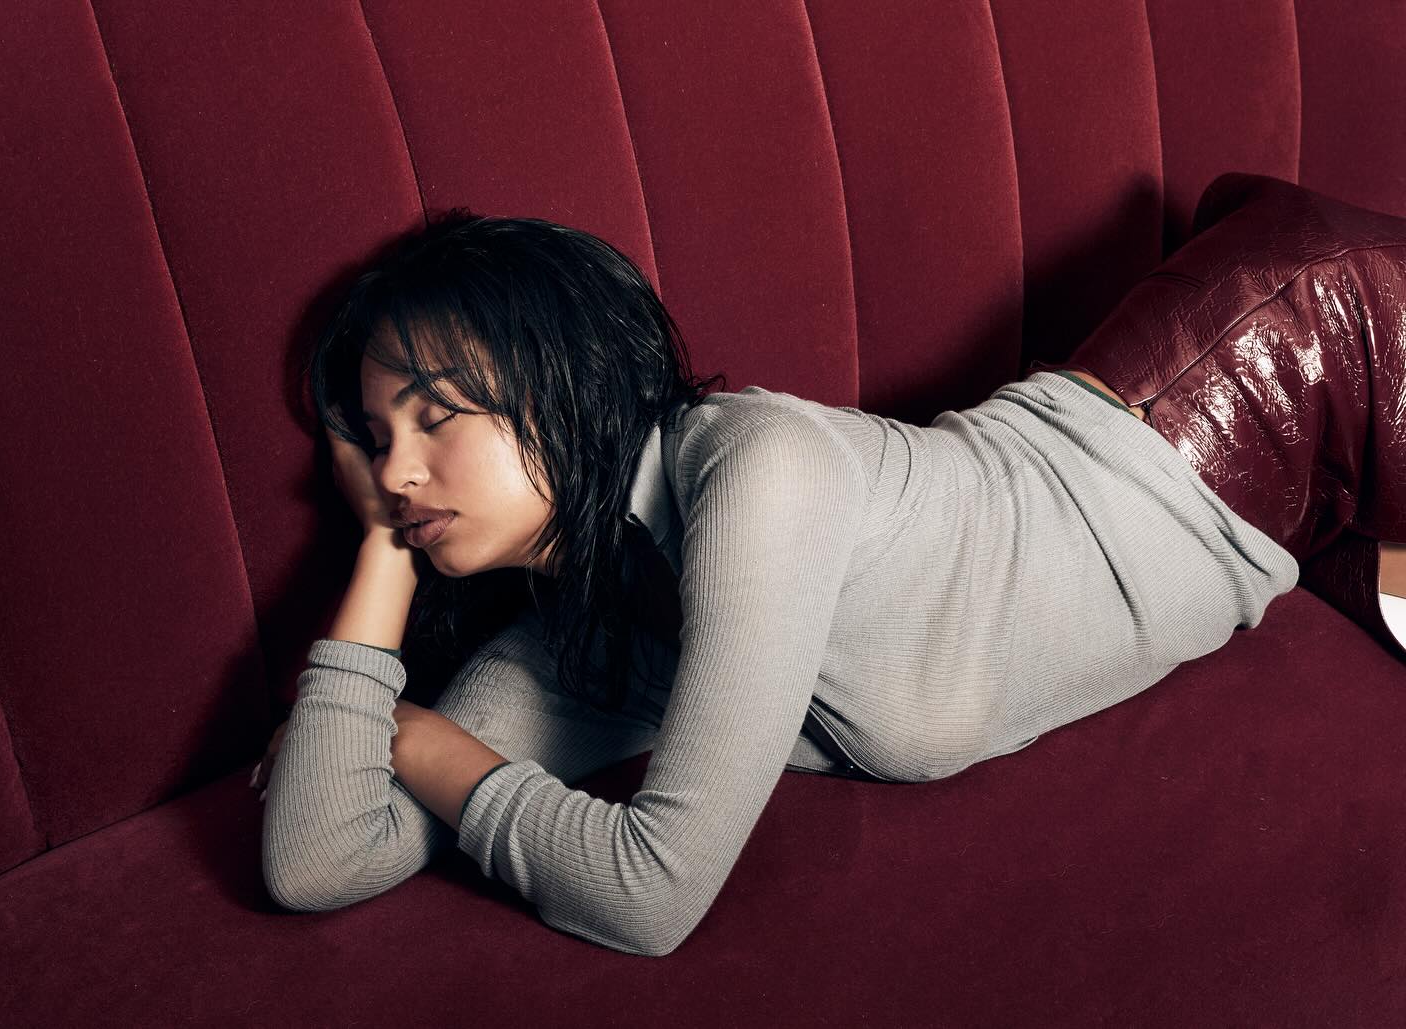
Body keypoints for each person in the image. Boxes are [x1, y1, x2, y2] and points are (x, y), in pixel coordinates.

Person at [255, 175, 1405, 957]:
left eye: (435, 417)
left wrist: (413, 737)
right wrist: (384, 553)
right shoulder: (578, 642)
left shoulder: (758, 470)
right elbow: (317, 859)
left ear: (562, 382)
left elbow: (647, 894)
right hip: (1285, 524)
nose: (399, 471)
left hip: (1288, 347)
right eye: (375, 443)